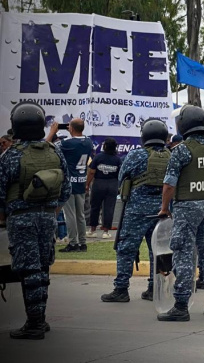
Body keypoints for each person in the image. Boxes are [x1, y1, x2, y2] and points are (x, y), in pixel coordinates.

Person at [0, 102, 70, 339]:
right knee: (42, 268)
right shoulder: (54, 152)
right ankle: (40, 318)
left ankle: (35, 324)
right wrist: (51, 211)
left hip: (21, 219)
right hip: (48, 218)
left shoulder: (11, 156)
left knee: (29, 271)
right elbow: (66, 190)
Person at [157, 105, 204, 321]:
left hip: (186, 207)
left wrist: (164, 208)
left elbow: (169, 184)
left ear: (184, 124)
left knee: (184, 254)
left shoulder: (181, 150)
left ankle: (181, 306)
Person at [101, 119, 171, 303]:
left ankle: (121, 289)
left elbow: (122, 177)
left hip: (137, 211)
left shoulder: (136, 155)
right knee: (158, 250)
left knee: (126, 249)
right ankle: (154, 288)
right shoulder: (171, 155)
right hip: (162, 210)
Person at [49, 118, 94, 253]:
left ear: (71, 128)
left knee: (70, 215)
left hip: (69, 182)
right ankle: (83, 242)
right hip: (81, 180)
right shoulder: (88, 141)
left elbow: (46, 146)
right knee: (80, 215)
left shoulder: (66, 143)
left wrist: (52, 132)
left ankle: (73, 242)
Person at [86, 138, 122, 238]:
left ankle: (92, 230)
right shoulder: (117, 159)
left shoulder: (98, 157)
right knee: (109, 208)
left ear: (105, 146)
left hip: (99, 183)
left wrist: (87, 184)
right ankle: (106, 232)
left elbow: (92, 172)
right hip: (112, 184)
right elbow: (120, 174)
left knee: (95, 207)